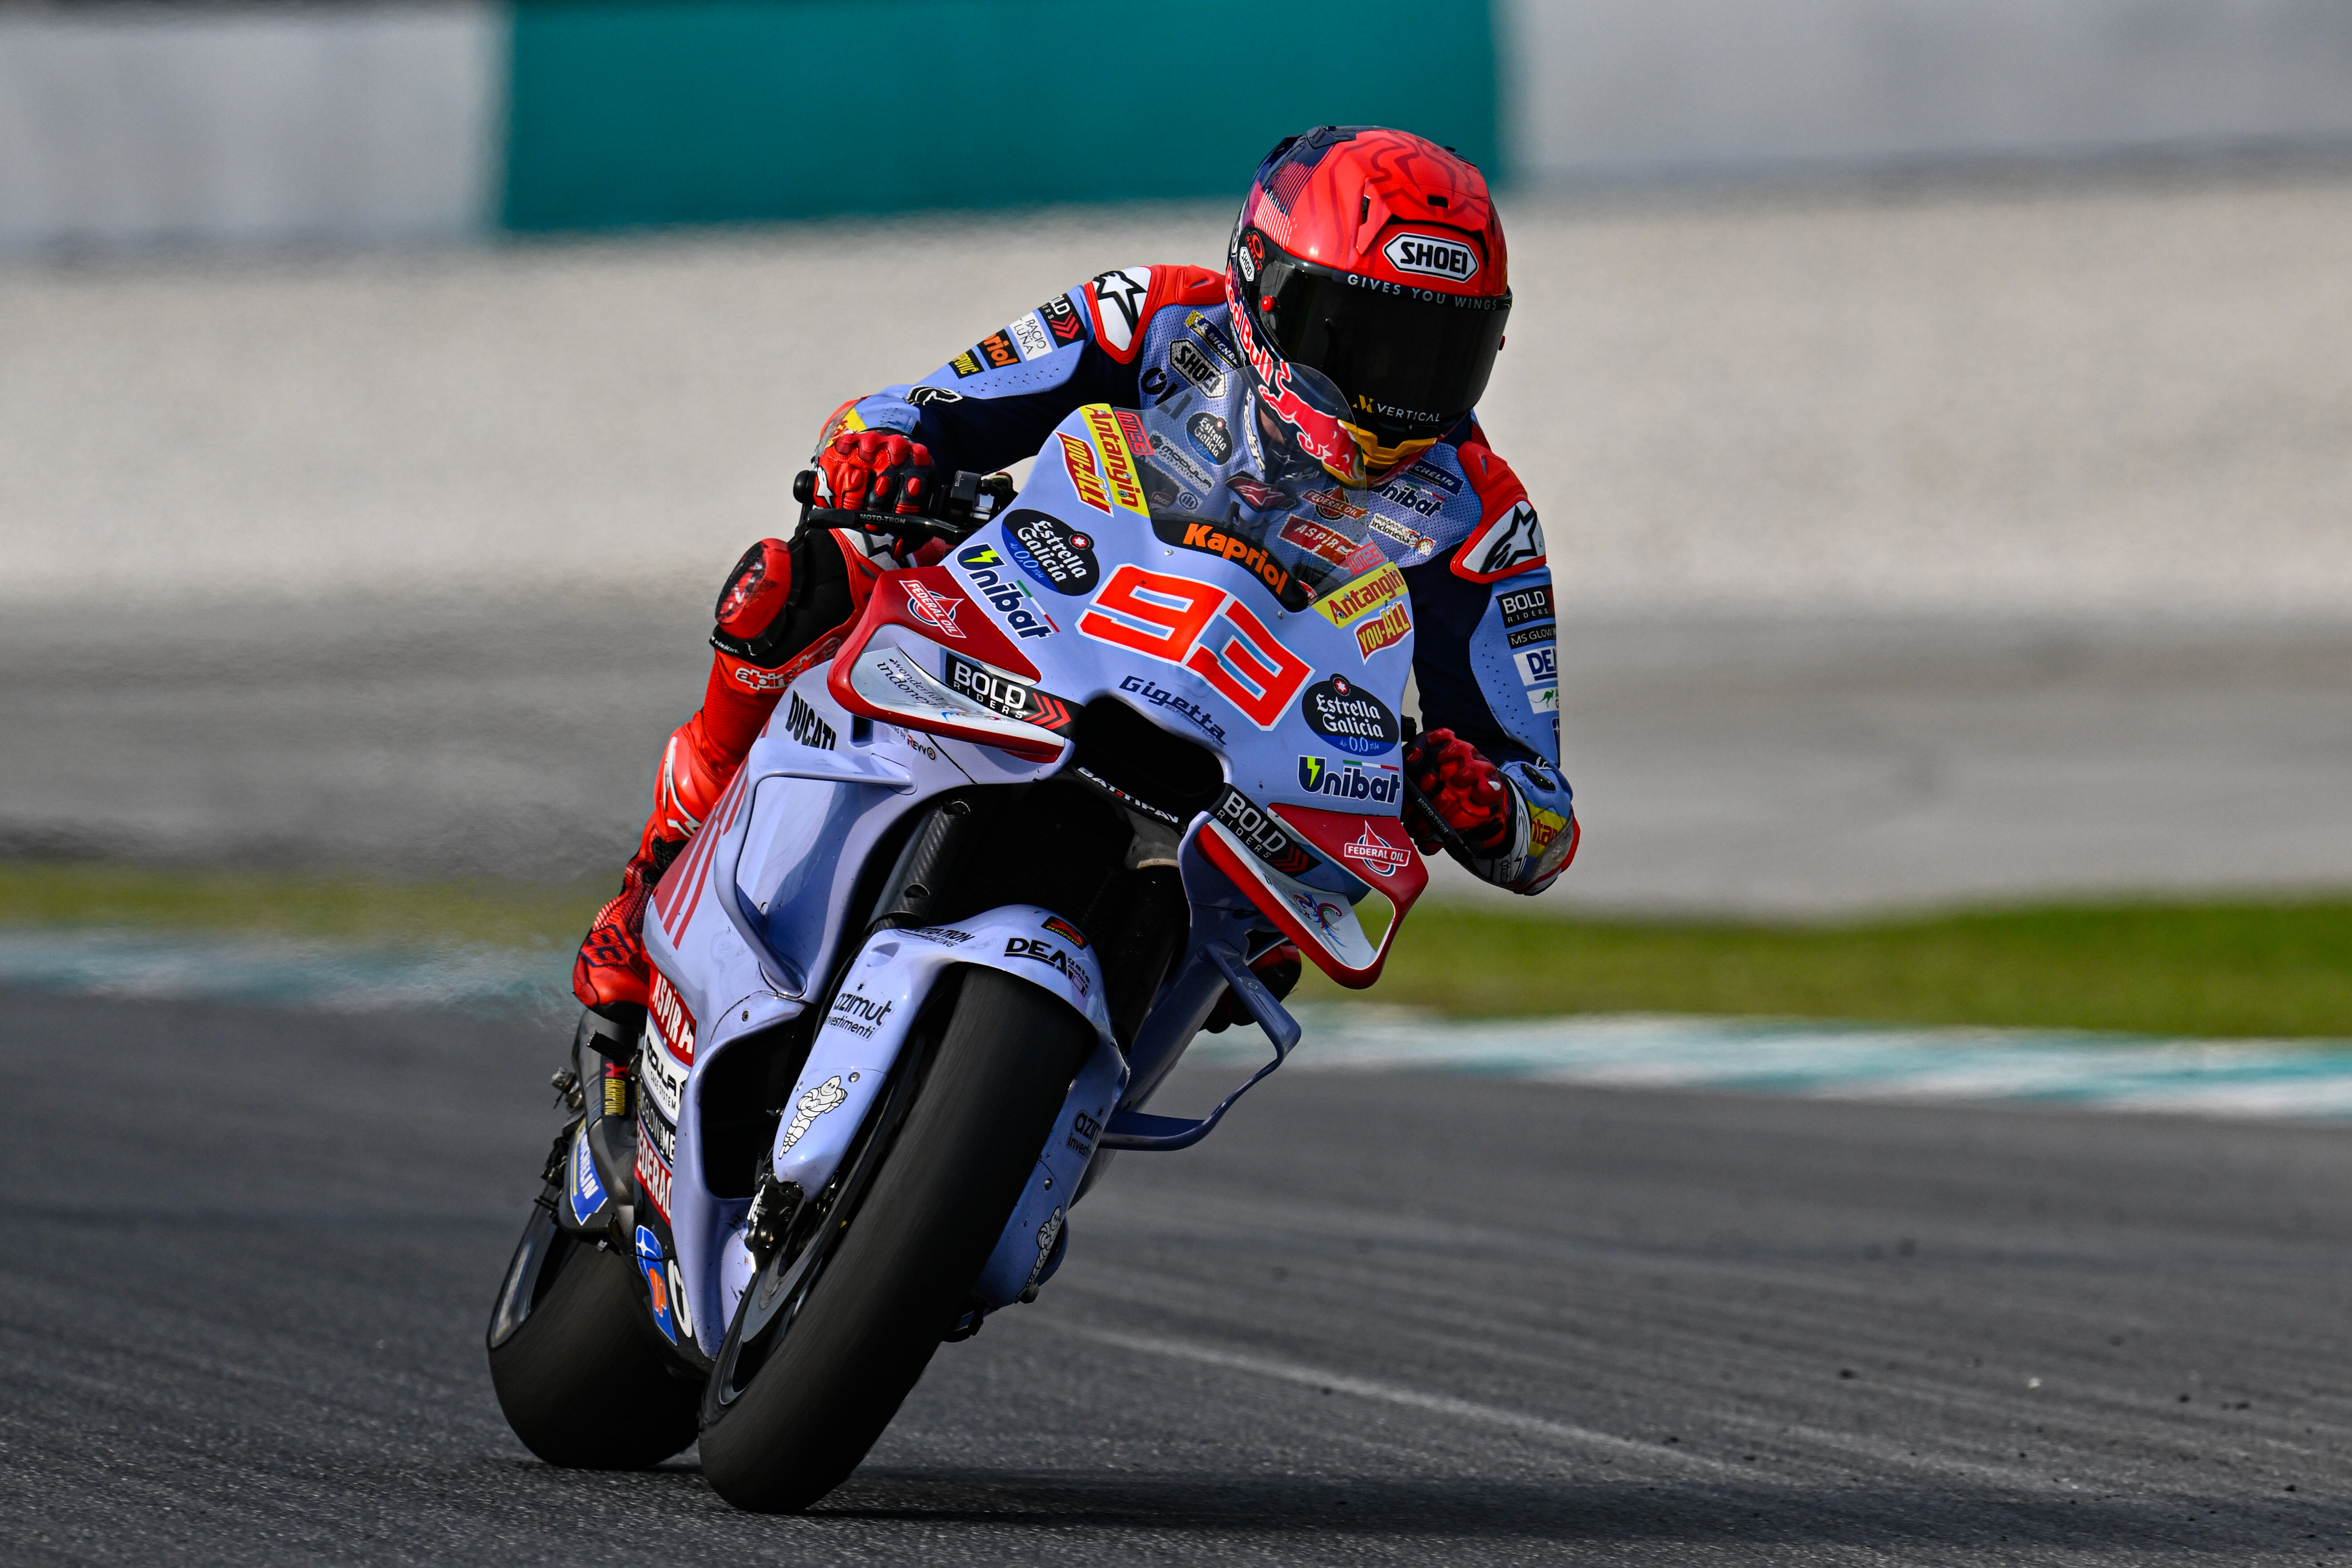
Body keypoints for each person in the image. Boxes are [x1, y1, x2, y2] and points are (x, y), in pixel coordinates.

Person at [573, 125, 1578, 1016]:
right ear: (1264, 285)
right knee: (809, 573)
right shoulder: (1149, 317)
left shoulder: (1481, 514)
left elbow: (1543, 814)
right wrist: (881, 455)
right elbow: (911, 404)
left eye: (1436, 353)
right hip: (1052, 635)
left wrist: (1484, 801)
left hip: (1263, 781)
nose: (1394, 390)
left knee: (1268, 955)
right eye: (1361, 339)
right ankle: (655, 868)